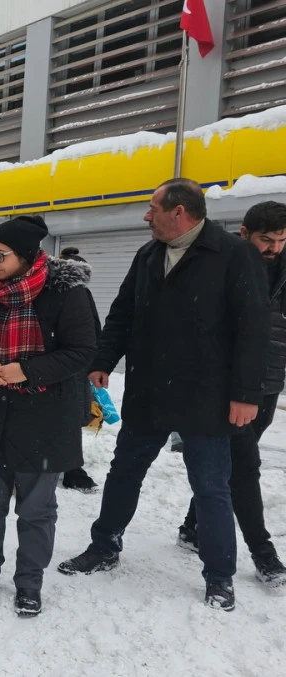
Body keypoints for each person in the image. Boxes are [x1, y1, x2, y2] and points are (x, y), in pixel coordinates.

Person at [58, 179, 269, 612]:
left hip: (208, 395)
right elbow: (123, 312)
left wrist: (247, 394)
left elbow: (253, 330)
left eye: (153, 207)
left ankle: (219, 575)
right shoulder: (148, 254)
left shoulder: (234, 254)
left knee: (211, 486)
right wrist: (104, 357)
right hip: (150, 389)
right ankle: (104, 546)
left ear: (180, 212)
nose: (146, 215)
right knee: (124, 472)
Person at [0, 216, 97, 616]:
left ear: (26, 255)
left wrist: (28, 370)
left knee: (36, 509)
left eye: (1, 256)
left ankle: (29, 582)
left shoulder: (66, 293)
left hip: (43, 417)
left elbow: (82, 350)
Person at [174, 201, 286, 587]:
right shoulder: (223, 265)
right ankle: (263, 551)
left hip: (266, 387)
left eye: (282, 240)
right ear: (244, 233)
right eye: (266, 240)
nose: (274, 247)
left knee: (227, 465)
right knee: (244, 467)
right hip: (227, 388)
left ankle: (192, 527)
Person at [56, 247, 102, 494]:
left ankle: (69, 467)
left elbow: (93, 330)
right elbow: (93, 331)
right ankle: (70, 470)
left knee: (69, 419)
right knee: (67, 419)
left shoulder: (79, 292)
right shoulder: (75, 291)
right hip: (67, 367)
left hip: (72, 368)